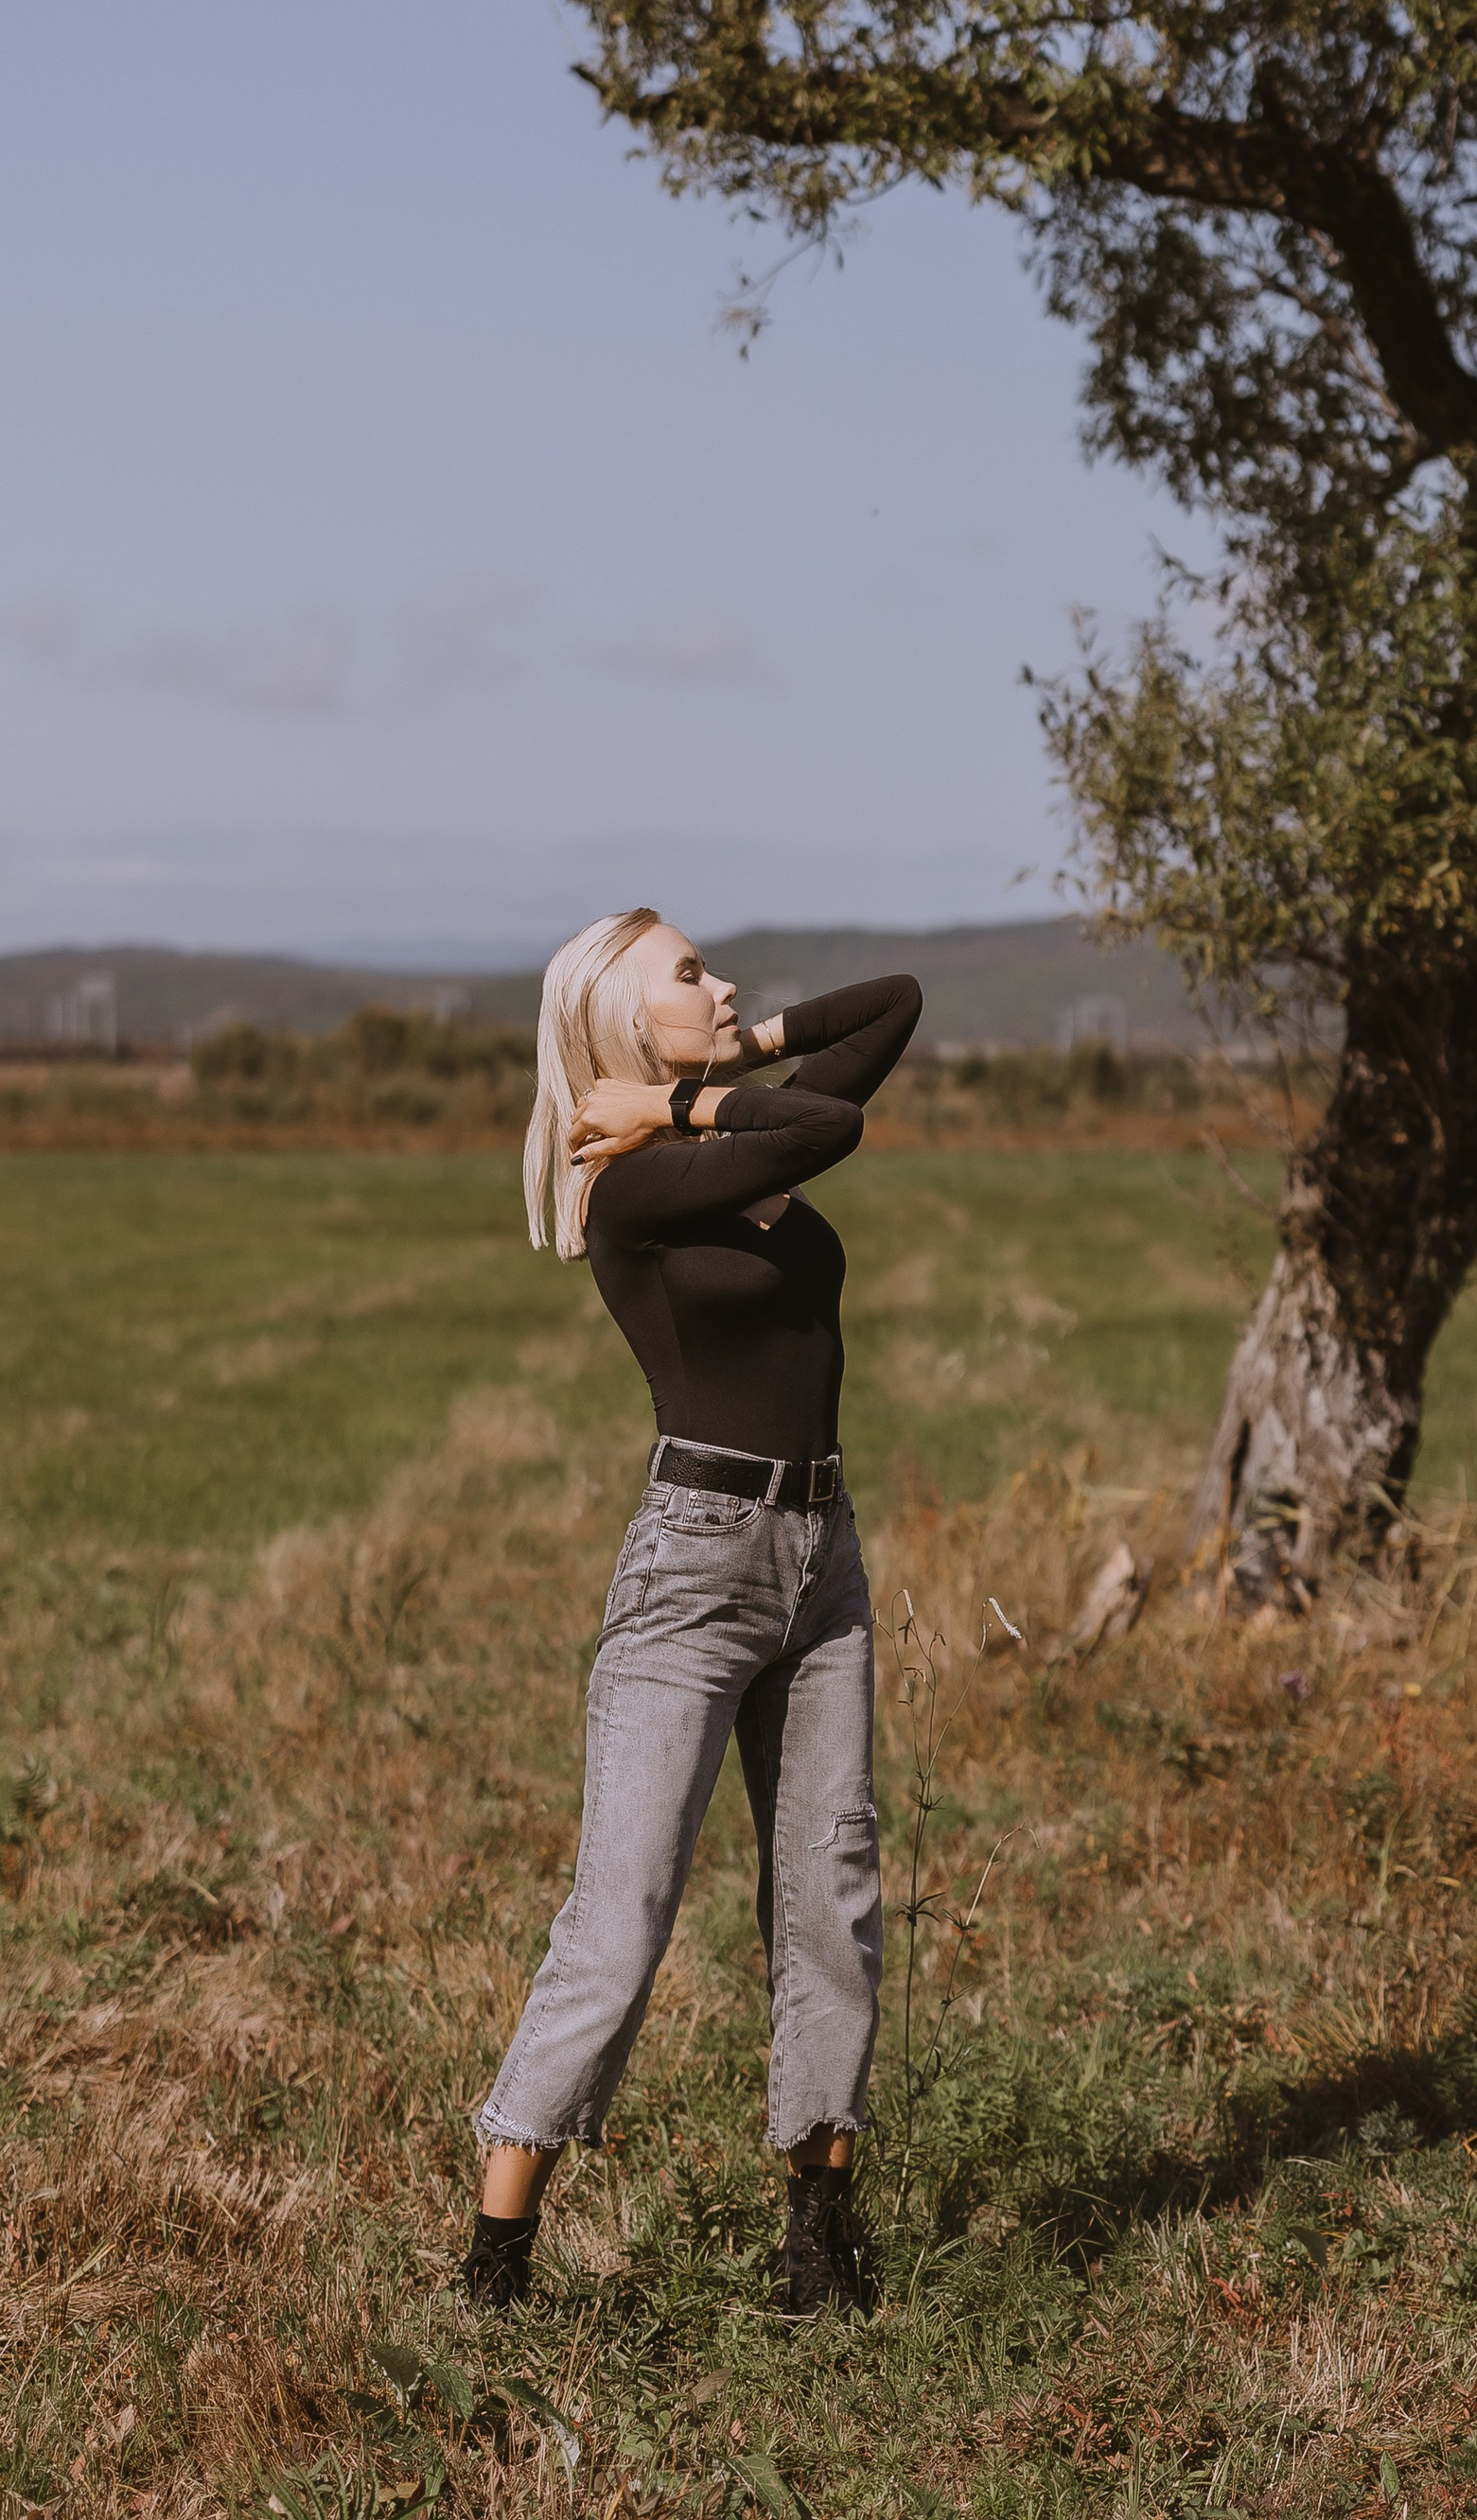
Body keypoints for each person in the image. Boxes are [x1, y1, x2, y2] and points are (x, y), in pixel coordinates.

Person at [459, 908, 921, 2318]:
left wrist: (718, 1055)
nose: (725, 986)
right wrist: (666, 1104)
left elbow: (891, 1007)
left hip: (820, 1553)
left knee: (833, 1896)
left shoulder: (708, 1123)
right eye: (691, 976)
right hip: (696, 1566)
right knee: (625, 1914)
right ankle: (496, 2262)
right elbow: (818, 1132)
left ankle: (819, 2246)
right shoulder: (628, 1184)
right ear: (618, 1022)